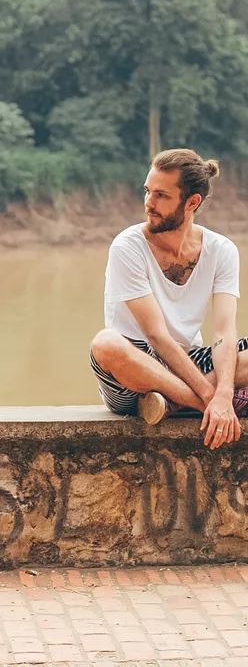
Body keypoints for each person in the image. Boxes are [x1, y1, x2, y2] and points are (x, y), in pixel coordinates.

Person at [90, 148, 248, 451]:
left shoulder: (222, 250)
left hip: (190, 361)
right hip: (134, 372)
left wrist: (224, 394)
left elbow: (224, 332)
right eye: (148, 192)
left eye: (162, 195)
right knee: (106, 344)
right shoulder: (128, 246)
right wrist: (211, 400)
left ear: (192, 202)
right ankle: (197, 406)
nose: (149, 203)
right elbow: (156, 336)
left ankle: (171, 404)